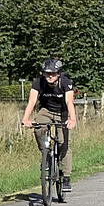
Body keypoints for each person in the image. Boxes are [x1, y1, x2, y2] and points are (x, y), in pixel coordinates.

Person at [21, 57, 77, 194]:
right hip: (46, 110)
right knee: (39, 128)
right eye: (47, 73)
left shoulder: (65, 82)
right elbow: (32, 101)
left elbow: (69, 102)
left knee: (64, 143)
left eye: (53, 73)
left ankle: (66, 177)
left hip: (62, 112)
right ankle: (46, 155)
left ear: (58, 73)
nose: (50, 76)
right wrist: (26, 118)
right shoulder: (39, 82)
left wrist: (72, 119)